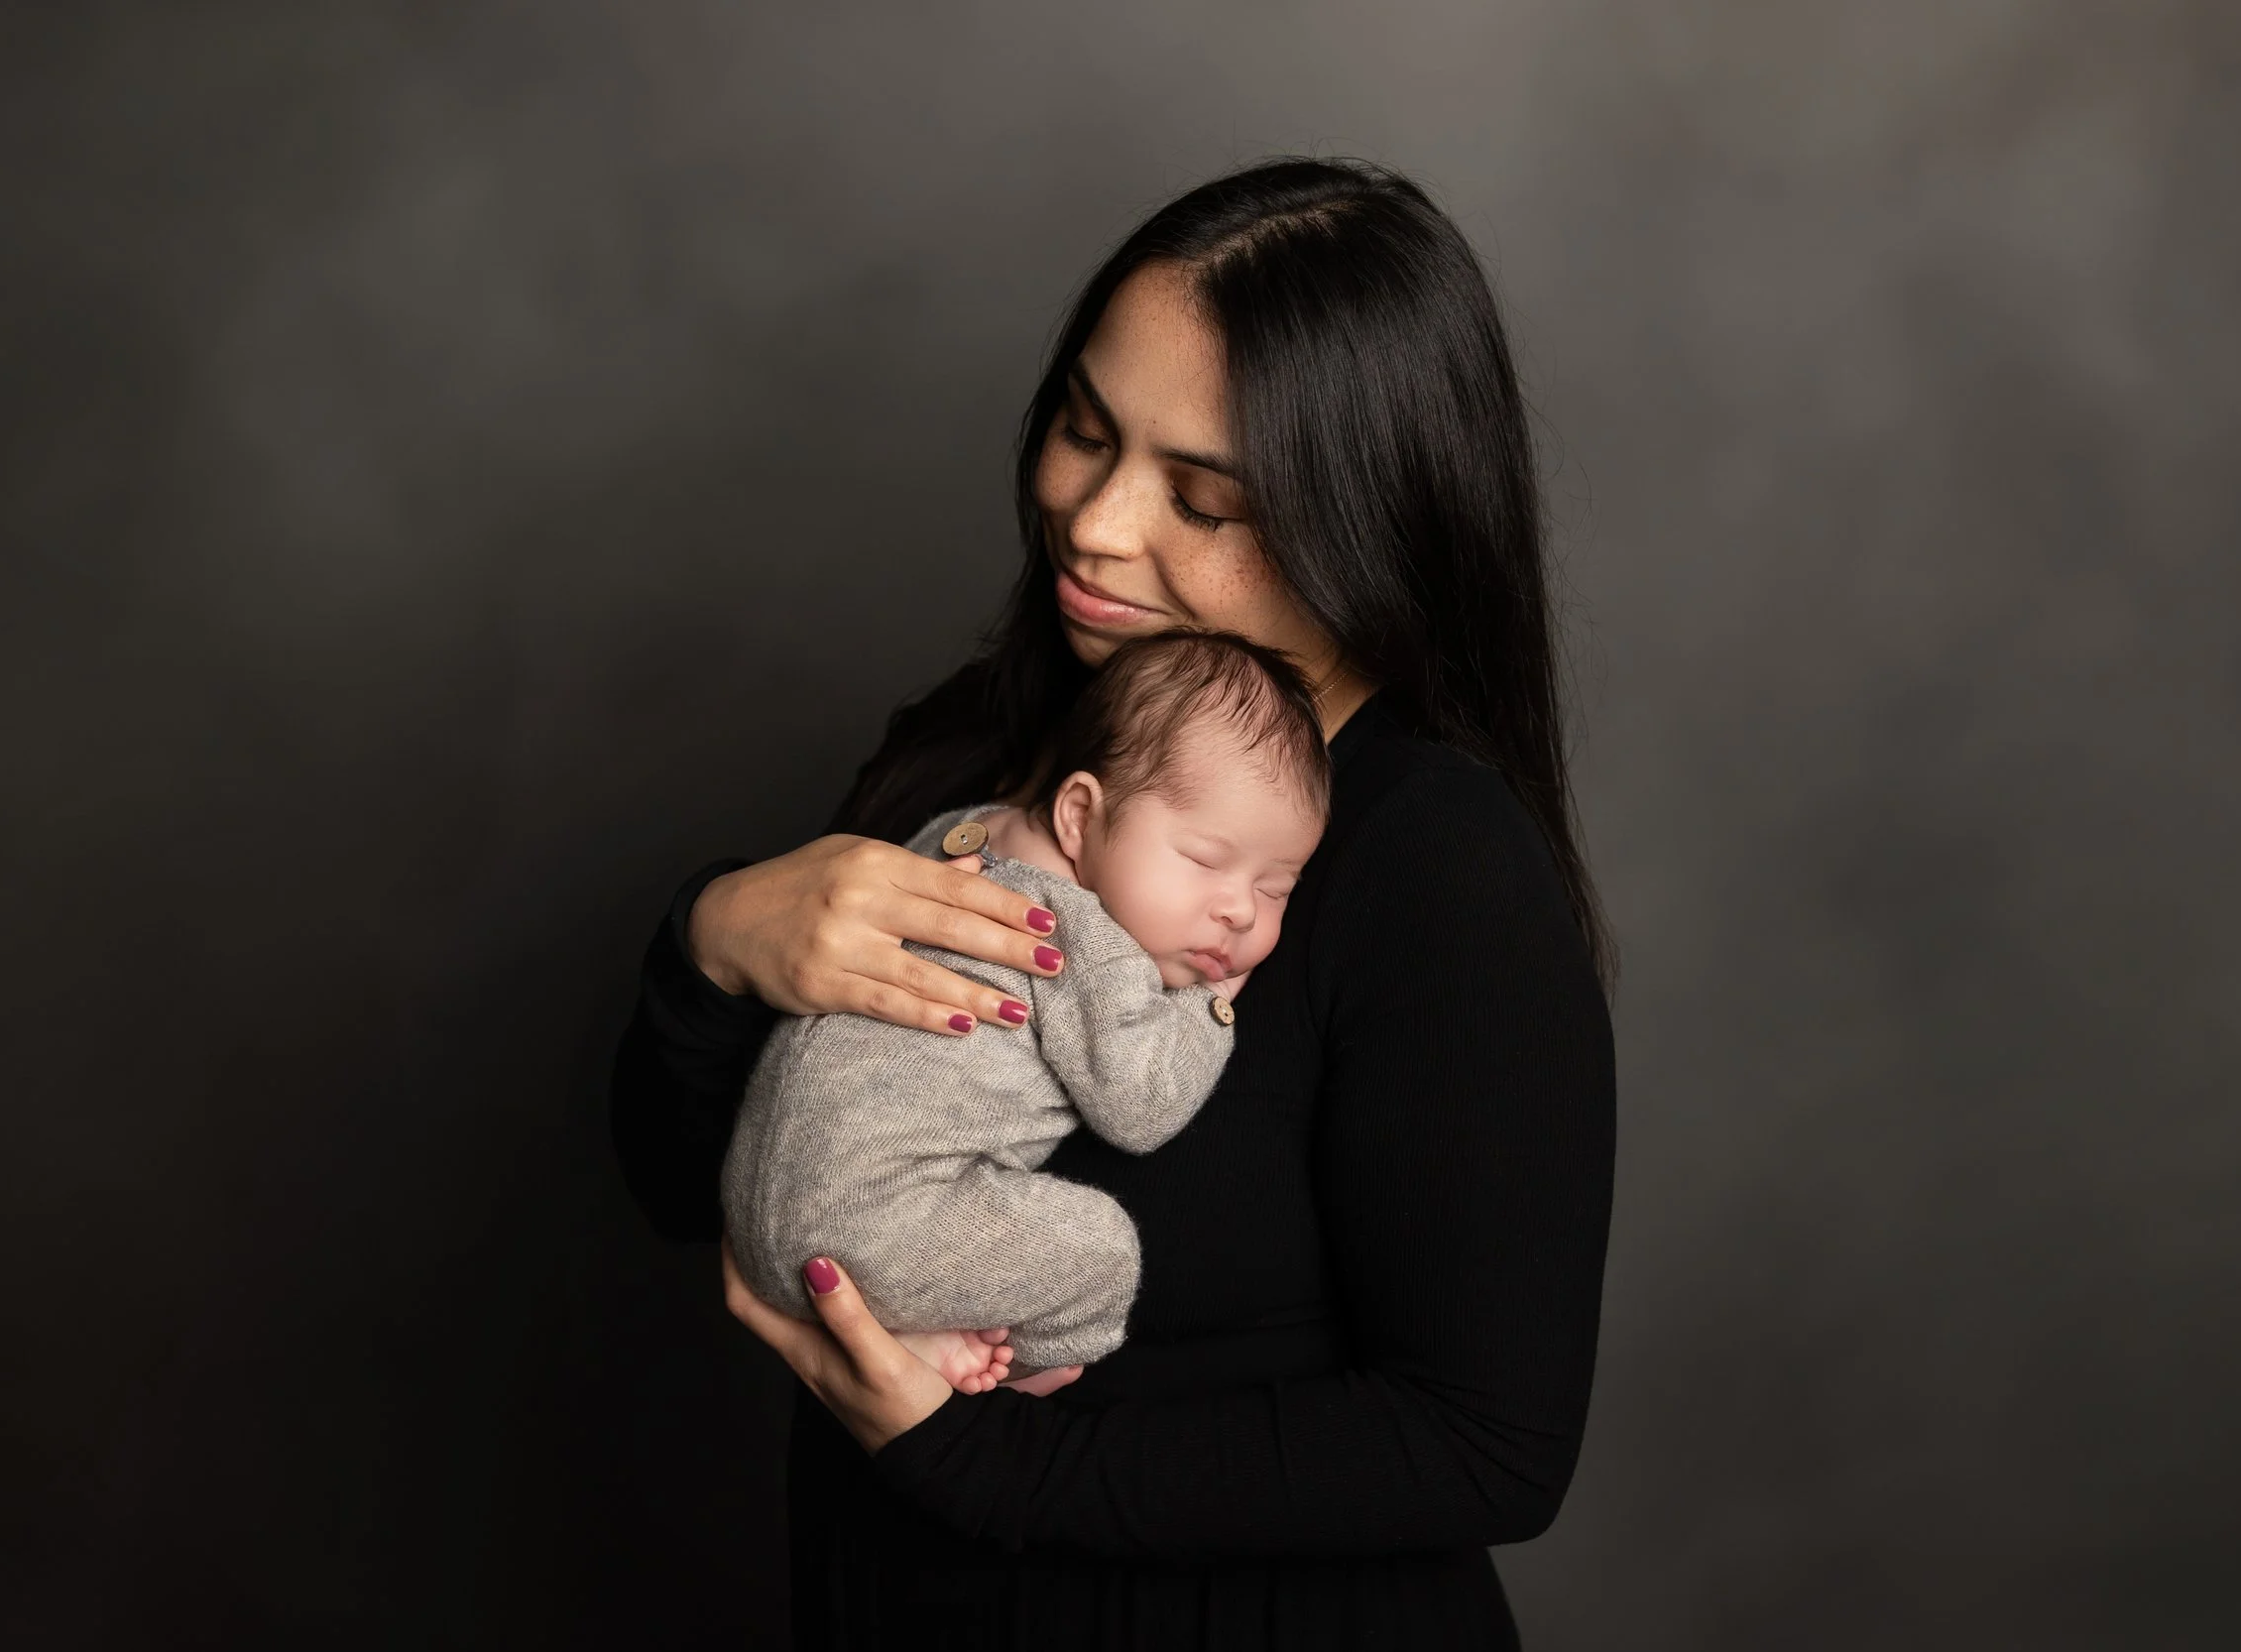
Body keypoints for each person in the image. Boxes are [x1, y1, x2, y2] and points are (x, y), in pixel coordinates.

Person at [611, 156, 1618, 1650]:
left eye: (1202, 498)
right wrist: (712, 947)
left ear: (1367, 526)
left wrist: (982, 1462)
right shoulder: (973, 746)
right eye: (1086, 430)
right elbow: (682, 1183)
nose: (1093, 520)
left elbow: (1489, 1444)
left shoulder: (1434, 867)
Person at [721, 630, 1330, 1392]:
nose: (1239, 911)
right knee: (1104, 1253)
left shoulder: (961, 834)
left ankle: (911, 1330)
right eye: (1205, 861)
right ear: (1079, 815)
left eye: (1277, 888)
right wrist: (1206, 1010)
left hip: (751, 1208)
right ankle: (999, 1365)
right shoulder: (1084, 941)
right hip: (874, 1228)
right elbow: (1140, 1107)